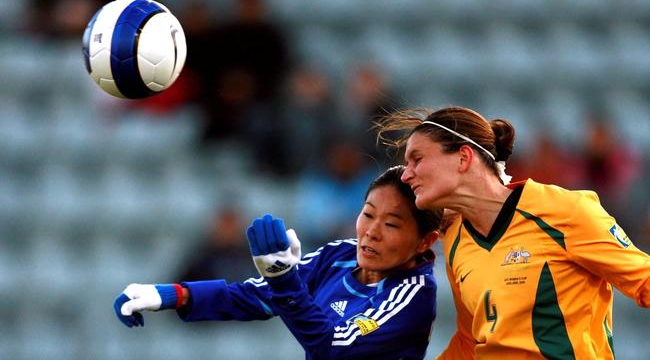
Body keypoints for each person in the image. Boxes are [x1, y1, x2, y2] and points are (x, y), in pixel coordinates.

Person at [377, 106, 650, 359]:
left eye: (417, 159)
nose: (406, 175)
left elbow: (644, 280)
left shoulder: (564, 211)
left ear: (463, 157)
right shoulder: (456, 241)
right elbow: (470, 340)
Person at [113, 166, 444, 359]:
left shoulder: (412, 295)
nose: (371, 232)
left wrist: (284, 279)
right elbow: (260, 295)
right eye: (368, 214)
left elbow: (332, 348)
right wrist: (176, 295)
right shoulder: (340, 255)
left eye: (391, 224)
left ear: (425, 241)